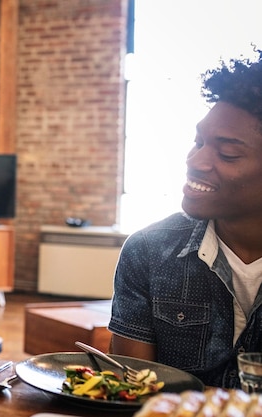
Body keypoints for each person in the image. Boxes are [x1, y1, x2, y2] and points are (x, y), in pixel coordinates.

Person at [108, 49, 262, 388]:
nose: (196, 160)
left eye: (227, 153)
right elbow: (132, 392)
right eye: (199, 141)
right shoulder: (147, 252)